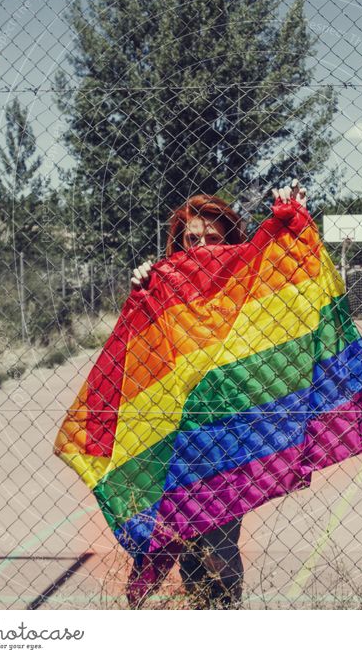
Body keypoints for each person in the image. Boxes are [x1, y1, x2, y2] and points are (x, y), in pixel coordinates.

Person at [126, 178, 308, 609]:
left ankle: (226, 617)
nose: (202, 246)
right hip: (174, 430)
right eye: (192, 239)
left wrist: (291, 220)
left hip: (229, 431)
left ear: (228, 240)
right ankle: (199, 615)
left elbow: (286, 273)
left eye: (212, 237)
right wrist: (141, 290)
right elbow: (142, 349)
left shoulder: (243, 283)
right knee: (180, 538)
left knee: (219, 541)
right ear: (179, 242)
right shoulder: (166, 285)